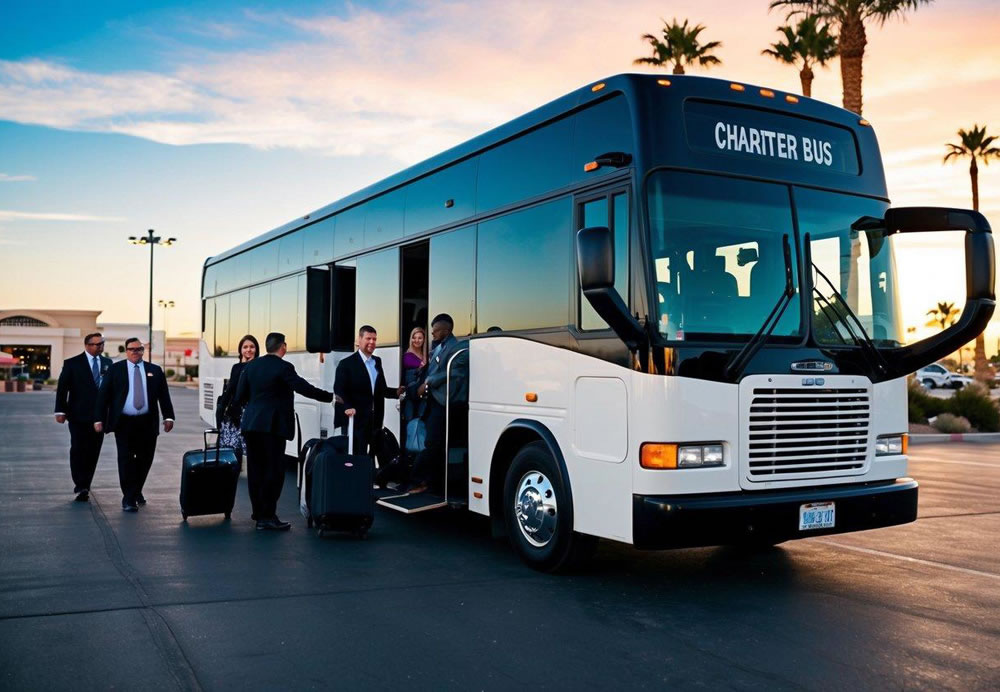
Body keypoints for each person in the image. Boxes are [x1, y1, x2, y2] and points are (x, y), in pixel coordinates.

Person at [235, 331, 334, 531]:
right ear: (283, 347)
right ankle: (268, 516)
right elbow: (302, 387)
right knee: (274, 471)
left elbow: (239, 396)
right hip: (273, 427)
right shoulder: (284, 367)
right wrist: (329, 397)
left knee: (256, 471)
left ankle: (259, 513)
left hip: (252, 425)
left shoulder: (251, 366)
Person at [94, 337, 175, 512]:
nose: (135, 352)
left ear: (143, 351)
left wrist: (169, 417)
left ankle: (136, 490)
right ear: (126, 351)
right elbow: (103, 396)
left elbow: (164, 396)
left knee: (145, 460)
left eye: (138, 349)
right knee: (126, 460)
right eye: (132, 349)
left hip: (147, 422)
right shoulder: (116, 370)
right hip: (124, 423)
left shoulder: (155, 370)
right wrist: (98, 419)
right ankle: (129, 498)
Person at [408, 314, 468, 495]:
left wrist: (429, 381)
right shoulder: (438, 347)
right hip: (432, 402)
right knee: (435, 444)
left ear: (447, 330)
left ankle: (417, 480)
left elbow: (456, 373)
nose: (432, 333)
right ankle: (434, 484)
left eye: (435, 330)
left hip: (444, 403)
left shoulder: (459, 348)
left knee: (433, 443)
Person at [54, 333, 113, 502]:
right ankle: (79, 484)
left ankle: (86, 484)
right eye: (95, 344)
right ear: (87, 345)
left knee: (94, 451)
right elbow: (62, 389)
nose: (98, 347)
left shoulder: (108, 364)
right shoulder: (72, 363)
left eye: (101, 344)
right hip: (78, 415)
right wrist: (60, 411)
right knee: (79, 449)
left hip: (100, 417)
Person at [333, 325, 401, 458]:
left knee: (375, 455)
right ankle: (357, 479)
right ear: (359, 339)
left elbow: (381, 389)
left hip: (375, 420)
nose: (372, 342)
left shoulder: (377, 362)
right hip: (356, 419)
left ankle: (370, 479)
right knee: (358, 455)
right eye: (368, 338)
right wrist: (347, 407)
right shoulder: (346, 364)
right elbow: (339, 390)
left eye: (374, 339)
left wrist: (396, 393)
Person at [215, 334, 259, 460]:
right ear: (240, 350)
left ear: (257, 349)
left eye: (252, 347)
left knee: (251, 452)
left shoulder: (259, 366)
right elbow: (230, 390)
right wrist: (221, 409)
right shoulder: (236, 367)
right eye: (245, 347)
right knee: (232, 451)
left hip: (250, 413)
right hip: (234, 414)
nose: (248, 350)